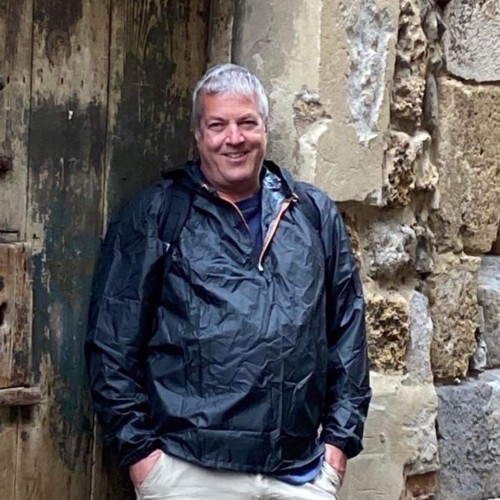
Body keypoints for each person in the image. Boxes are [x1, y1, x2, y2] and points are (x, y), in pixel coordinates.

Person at [86, 63, 371, 500]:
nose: (233, 138)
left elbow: (348, 333)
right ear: (198, 134)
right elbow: (112, 343)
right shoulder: (158, 214)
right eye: (217, 125)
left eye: (246, 123)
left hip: (300, 472)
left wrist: (337, 448)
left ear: (266, 128)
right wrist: (142, 456)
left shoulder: (311, 213)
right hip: (187, 470)